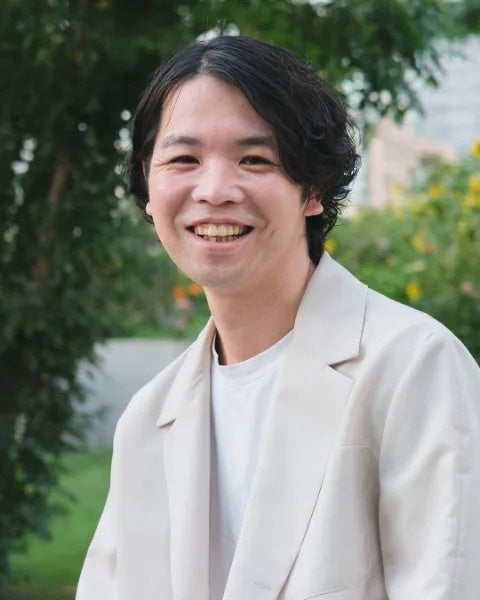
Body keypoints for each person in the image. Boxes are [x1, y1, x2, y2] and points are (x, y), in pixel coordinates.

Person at [76, 35, 480, 600]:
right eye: (184, 159)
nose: (214, 190)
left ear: (313, 188)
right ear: (148, 184)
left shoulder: (413, 368)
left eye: (255, 159)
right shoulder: (148, 419)